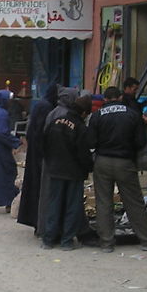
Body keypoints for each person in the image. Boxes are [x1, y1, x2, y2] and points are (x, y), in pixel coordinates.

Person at [87, 86, 147, 253]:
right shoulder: (132, 114)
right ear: (120, 97)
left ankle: (106, 243)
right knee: (134, 202)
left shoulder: (97, 115)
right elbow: (140, 141)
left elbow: (91, 142)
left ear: (105, 99)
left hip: (103, 161)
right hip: (125, 162)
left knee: (103, 202)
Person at [42, 87, 93, 250]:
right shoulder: (80, 127)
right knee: (72, 206)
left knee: (54, 204)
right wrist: (88, 168)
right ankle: (67, 240)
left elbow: (45, 144)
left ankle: (49, 239)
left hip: (55, 170)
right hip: (73, 172)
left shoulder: (55, 121)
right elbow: (83, 153)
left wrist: (50, 163)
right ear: (84, 113)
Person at [17, 84, 58, 233]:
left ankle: (37, 223)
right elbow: (42, 132)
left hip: (34, 154)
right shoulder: (46, 107)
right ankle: (41, 225)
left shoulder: (41, 105)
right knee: (41, 191)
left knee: (35, 189)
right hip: (40, 156)